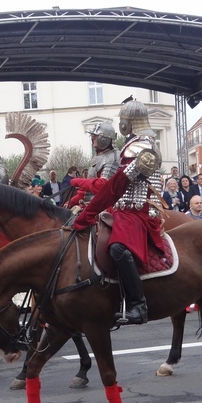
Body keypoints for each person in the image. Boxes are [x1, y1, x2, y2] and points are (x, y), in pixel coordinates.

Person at [73, 99, 164, 325]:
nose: (120, 123)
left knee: (117, 248)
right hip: (123, 208)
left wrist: (87, 214)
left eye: (123, 119)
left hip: (137, 210)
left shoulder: (141, 146)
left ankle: (137, 305)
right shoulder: (134, 143)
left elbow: (116, 185)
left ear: (130, 122)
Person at [69, 122, 120, 207]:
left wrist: (79, 181)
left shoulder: (114, 157)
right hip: (93, 203)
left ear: (104, 139)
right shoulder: (97, 158)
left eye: (95, 136)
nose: (92, 139)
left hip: (107, 205)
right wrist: (72, 201)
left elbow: (103, 185)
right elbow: (87, 190)